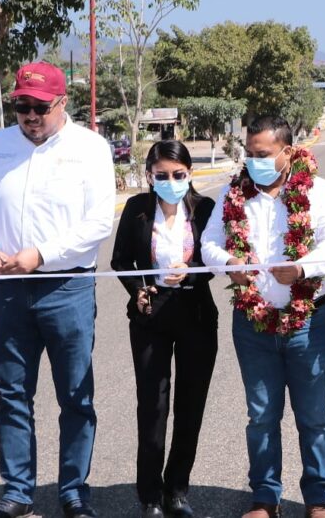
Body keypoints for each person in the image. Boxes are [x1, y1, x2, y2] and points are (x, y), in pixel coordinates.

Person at [0, 62, 115, 518]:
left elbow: (99, 222)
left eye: (39, 107)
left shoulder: (90, 148)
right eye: (21, 107)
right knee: (12, 393)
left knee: (75, 395)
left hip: (66, 286)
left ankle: (73, 491)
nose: (29, 116)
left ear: (62, 103)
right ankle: (17, 491)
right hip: (10, 288)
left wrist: (41, 254)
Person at [201, 115, 325, 518]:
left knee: (314, 416)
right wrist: (230, 262)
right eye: (249, 153)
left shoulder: (319, 191)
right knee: (261, 415)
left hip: (309, 322)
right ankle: (265, 497)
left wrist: (303, 268)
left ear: (287, 153)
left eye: (262, 154)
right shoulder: (235, 193)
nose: (253, 161)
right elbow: (209, 241)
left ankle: (318, 500)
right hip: (253, 324)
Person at [110, 141, 218, 518]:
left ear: (190, 174)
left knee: (191, 406)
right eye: (162, 175)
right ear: (149, 176)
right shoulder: (137, 209)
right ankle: (150, 495)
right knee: (153, 407)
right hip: (150, 317)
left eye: (178, 174)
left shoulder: (205, 210)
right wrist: (138, 289)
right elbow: (120, 259)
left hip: (197, 315)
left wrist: (195, 271)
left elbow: (217, 258)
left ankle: (177, 490)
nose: (170, 181)